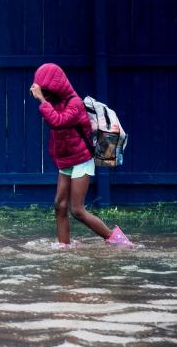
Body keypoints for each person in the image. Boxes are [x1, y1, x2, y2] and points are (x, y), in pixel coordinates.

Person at [31, 62, 131, 247]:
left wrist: (43, 102)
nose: (44, 95)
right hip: (66, 160)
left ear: (56, 88)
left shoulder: (75, 103)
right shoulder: (54, 102)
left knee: (77, 210)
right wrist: (45, 99)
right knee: (59, 207)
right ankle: (64, 247)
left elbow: (58, 122)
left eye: (46, 91)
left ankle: (118, 241)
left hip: (82, 160)